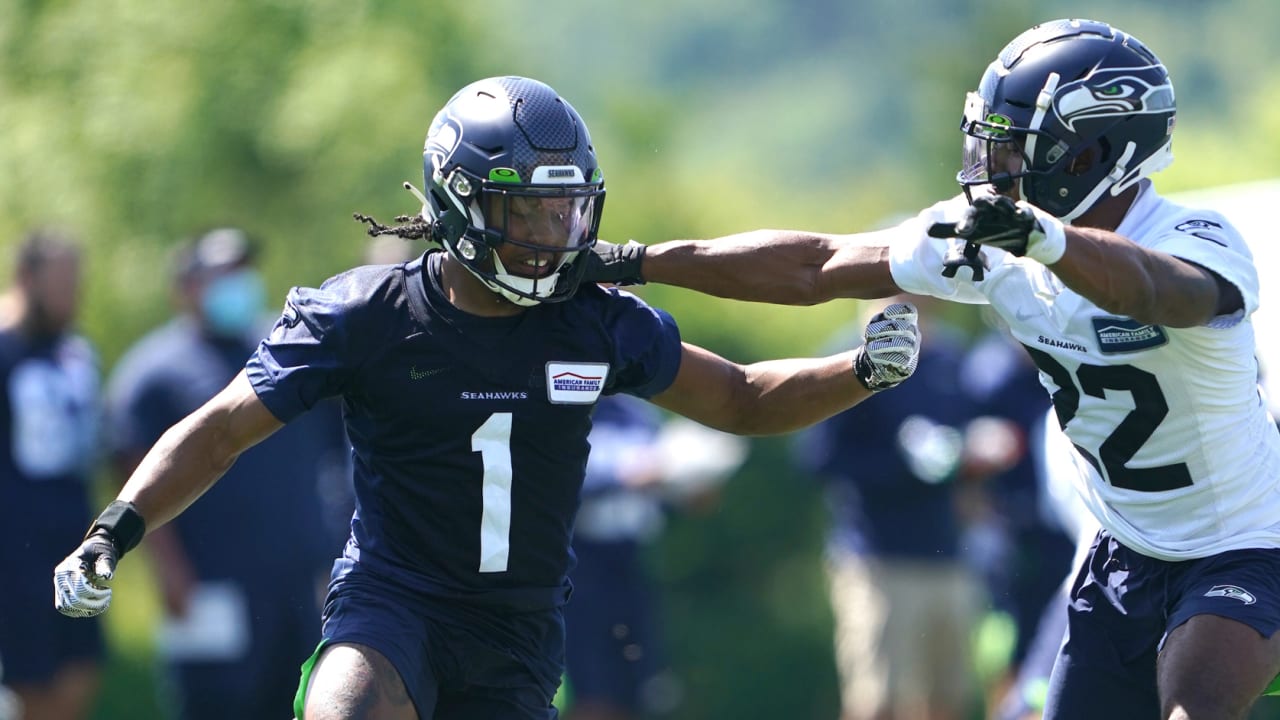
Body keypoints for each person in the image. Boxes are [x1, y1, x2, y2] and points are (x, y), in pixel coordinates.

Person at [52, 76, 922, 720]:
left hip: (518, 626)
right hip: (393, 596)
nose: (556, 237)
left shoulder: (596, 321)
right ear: (462, 204)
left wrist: (863, 373)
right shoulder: (366, 315)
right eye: (531, 215)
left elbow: (741, 399)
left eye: (567, 212)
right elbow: (218, 432)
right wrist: (114, 529)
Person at [584, 18, 1280, 719]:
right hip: (1123, 551)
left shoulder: (1193, 239)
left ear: (1088, 153)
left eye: (1014, 147)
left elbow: (1157, 292)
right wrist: (638, 260)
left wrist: (1049, 242)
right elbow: (816, 265)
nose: (992, 165)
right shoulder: (1005, 240)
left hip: (1248, 543)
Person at [102, 227, 351, 720]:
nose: (238, 283)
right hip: (209, 586)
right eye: (223, 274)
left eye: (243, 272)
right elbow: (129, 466)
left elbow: (336, 451)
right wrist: (170, 570)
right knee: (216, 706)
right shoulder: (154, 373)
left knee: (300, 700)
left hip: (296, 581)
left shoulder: (285, 351)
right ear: (187, 286)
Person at [794, 295, 987, 720]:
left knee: (947, 698)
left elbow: (964, 438)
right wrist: (905, 466)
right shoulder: (847, 355)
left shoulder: (946, 357)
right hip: (877, 557)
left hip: (948, 552)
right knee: (878, 700)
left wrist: (970, 455)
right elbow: (819, 457)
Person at [565, 393, 745, 720]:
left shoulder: (635, 411)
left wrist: (683, 492)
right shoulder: (556, 402)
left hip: (630, 562)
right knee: (592, 690)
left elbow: (653, 487)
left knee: (637, 687)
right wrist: (622, 475)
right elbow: (552, 479)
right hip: (577, 566)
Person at [0, 230, 104, 720]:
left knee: (82, 667)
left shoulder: (76, 352)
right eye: (59, 279)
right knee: (29, 681)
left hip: (76, 538)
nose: (71, 291)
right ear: (27, 278)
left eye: (76, 279)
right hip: (15, 548)